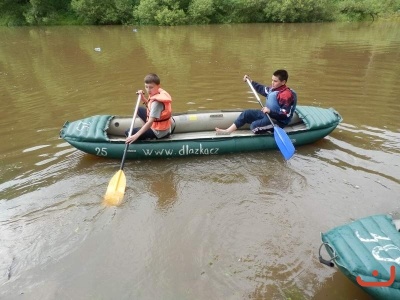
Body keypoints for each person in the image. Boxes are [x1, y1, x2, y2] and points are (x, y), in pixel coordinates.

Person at [215, 69, 297, 135]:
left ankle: (271, 132)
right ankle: (228, 131)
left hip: (277, 121)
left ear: (283, 82)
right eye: (272, 80)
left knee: (254, 126)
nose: (272, 83)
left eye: (275, 81)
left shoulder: (286, 95)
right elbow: (262, 89)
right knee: (246, 113)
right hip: (268, 115)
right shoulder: (273, 89)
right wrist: (251, 82)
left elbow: (285, 115)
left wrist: (270, 111)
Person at [125, 73, 172, 144]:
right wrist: (143, 98)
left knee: (128, 132)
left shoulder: (157, 103)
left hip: (159, 132)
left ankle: (147, 134)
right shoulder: (157, 93)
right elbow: (150, 106)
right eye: (146, 87)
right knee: (138, 109)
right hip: (157, 123)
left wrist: (136, 135)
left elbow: (150, 122)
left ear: (158, 86)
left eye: (151, 87)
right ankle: (145, 130)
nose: (148, 90)